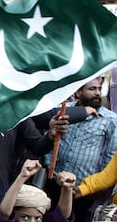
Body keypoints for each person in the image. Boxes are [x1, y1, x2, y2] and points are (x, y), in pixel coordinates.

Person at [44, 76, 117, 222]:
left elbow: (109, 158)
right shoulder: (63, 111)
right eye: (92, 89)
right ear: (77, 92)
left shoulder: (110, 119)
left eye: (99, 89)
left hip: (83, 192)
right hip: (55, 182)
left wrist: (91, 190)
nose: (97, 93)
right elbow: (50, 137)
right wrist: (48, 165)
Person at [0, 159, 76, 222]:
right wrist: (22, 176)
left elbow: (62, 216)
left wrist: (67, 189)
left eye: (38, 219)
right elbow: (4, 213)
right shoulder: (6, 215)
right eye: (25, 217)